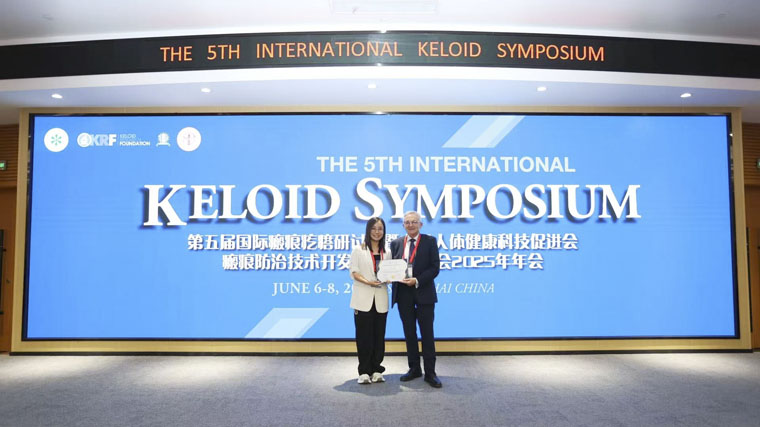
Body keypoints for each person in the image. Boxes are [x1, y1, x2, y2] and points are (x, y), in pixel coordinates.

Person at [391, 211, 442, 388]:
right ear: (403, 225)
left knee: (427, 333)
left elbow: (435, 267)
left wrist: (417, 280)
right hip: (403, 293)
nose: (410, 225)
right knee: (409, 333)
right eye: (407, 222)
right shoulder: (396, 243)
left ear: (420, 224)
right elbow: (391, 267)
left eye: (414, 222)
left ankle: (430, 373)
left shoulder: (430, 241)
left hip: (424, 292)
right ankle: (414, 369)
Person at [349, 217, 389, 384]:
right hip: (363, 299)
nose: (377, 232)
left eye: (380, 229)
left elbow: (390, 273)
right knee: (364, 337)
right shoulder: (358, 249)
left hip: (381, 299)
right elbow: (354, 272)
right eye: (373, 228)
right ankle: (364, 371)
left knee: (379, 336)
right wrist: (368, 282)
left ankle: (377, 370)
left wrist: (390, 278)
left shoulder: (387, 252)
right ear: (368, 230)